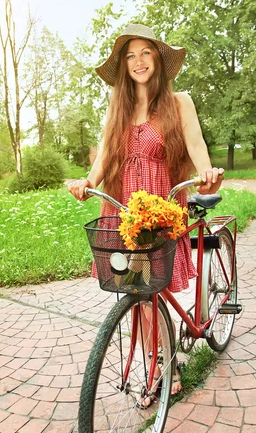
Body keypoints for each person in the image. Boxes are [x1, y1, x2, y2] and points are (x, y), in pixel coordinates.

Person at [68, 23, 224, 401]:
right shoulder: (118, 105)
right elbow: (106, 152)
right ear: (124, 65)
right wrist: (87, 183)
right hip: (123, 207)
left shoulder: (178, 102)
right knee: (133, 289)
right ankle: (159, 360)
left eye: (146, 52)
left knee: (151, 287)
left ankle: (163, 365)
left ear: (158, 58)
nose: (139, 61)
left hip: (159, 206)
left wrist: (207, 174)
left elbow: (196, 144)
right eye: (131, 55)